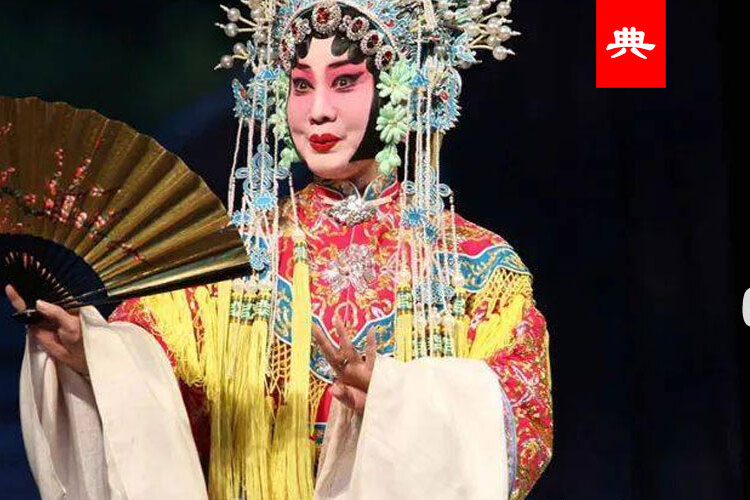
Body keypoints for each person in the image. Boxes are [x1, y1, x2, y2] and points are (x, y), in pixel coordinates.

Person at [8, 0, 552, 499]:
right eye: (300, 85)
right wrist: (90, 355)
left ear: (402, 90)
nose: (317, 111)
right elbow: (155, 395)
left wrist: (400, 403)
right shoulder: (227, 260)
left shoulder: (476, 268)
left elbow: (524, 426)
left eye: (344, 82)